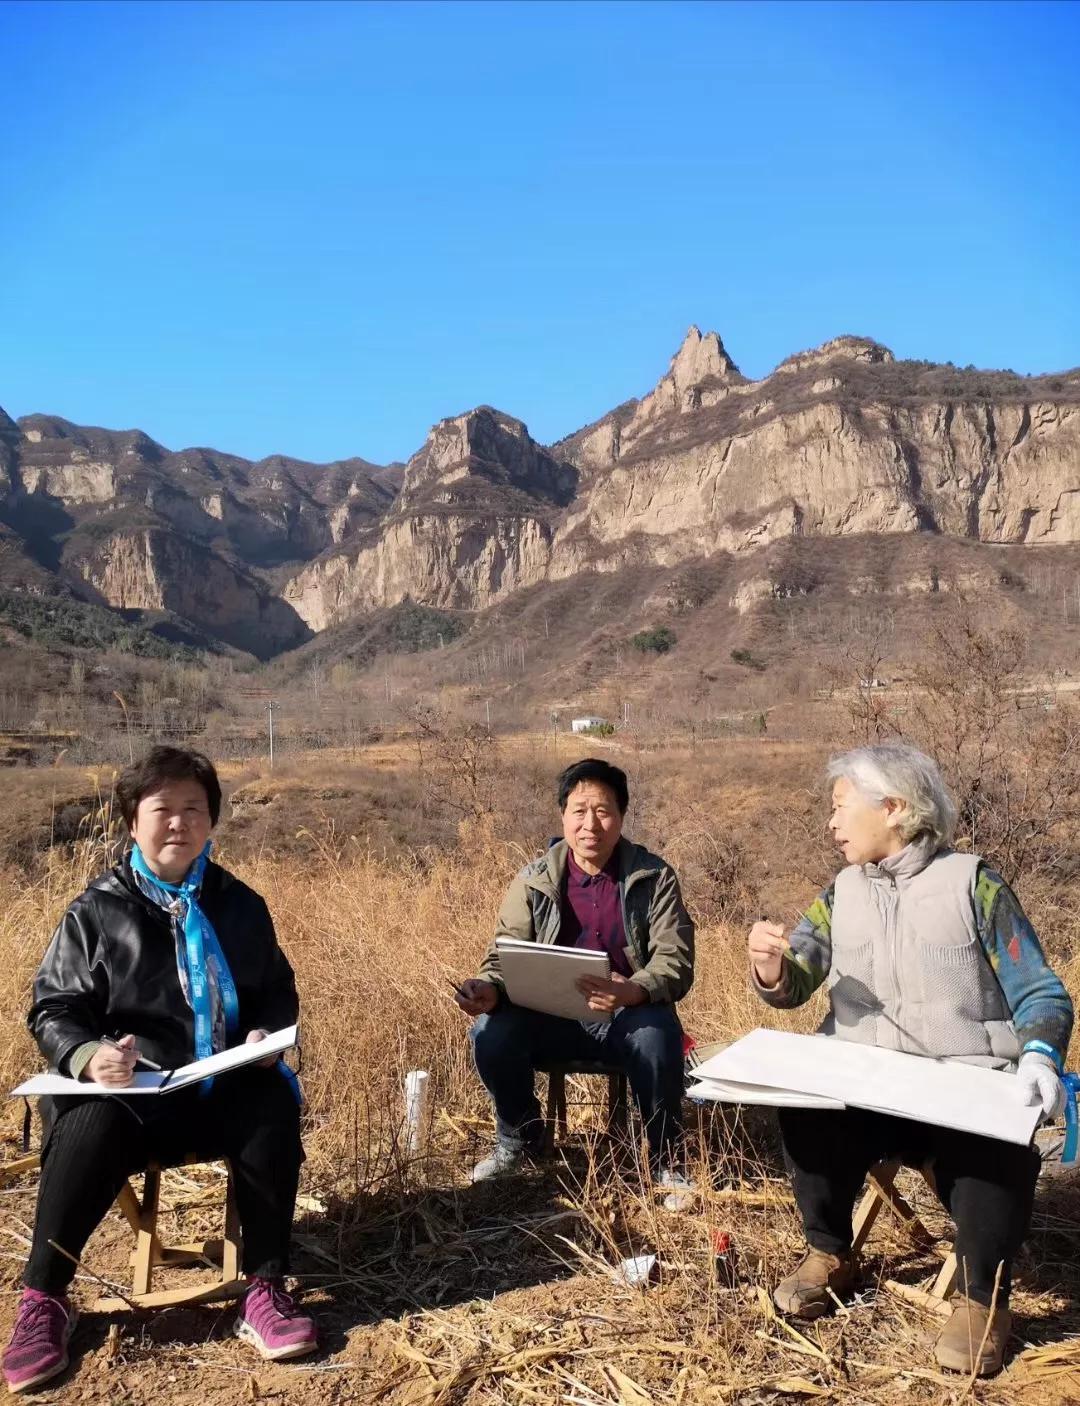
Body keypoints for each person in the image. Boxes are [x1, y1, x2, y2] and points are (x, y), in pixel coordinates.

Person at [748, 743, 1074, 1377]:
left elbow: (1040, 989)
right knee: (804, 1108)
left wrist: (1038, 1057)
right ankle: (831, 1252)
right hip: (867, 1086)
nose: (832, 823)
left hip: (960, 1086)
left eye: (842, 808)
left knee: (999, 1146)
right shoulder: (840, 892)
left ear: (893, 808)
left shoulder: (973, 884)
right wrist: (769, 966)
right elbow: (795, 984)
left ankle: (983, 1300)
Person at [2, 747, 317, 1395]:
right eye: (162, 810)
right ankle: (44, 1298)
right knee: (87, 1121)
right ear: (131, 822)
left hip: (220, 1087)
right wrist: (92, 1057)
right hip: (133, 1100)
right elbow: (55, 1007)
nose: (179, 823)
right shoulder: (97, 910)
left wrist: (262, 1035)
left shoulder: (240, 905)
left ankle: (264, 1286)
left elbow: (276, 989)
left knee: (270, 1104)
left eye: (193, 810)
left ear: (212, 820)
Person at [456, 758, 696, 1209]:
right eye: (579, 811)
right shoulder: (534, 879)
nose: (591, 824)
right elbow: (504, 955)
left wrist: (633, 989)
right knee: (490, 1033)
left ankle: (667, 1161)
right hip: (549, 1016)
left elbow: (676, 962)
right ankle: (519, 1141)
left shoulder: (654, 877)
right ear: (563, 815)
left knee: (656, 1035)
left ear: (621, 816)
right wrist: (489, 987)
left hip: (624, 1015)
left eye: (603, 811)